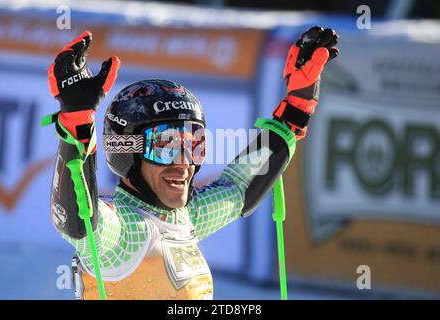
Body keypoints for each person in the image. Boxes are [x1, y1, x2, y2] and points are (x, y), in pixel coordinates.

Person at [46, 26, 339, 300]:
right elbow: (79, 223)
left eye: (194, 145)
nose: (183, 164)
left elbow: (240, 188)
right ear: (127, 153)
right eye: (166, 147)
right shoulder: (125, 234)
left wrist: (296, 109)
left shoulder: (186, 218)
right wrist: (76, 125)